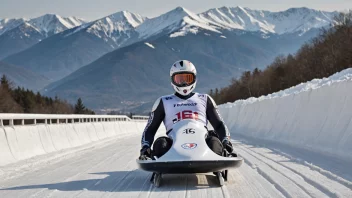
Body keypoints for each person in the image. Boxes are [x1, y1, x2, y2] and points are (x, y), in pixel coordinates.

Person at [139, 60, 234, 160]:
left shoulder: (205, 99)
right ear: (173, 80)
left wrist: (225, 141)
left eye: (187, 79)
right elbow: (150, 128)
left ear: (194, 78)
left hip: (202, 140)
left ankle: (216, 159)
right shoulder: (163, 101)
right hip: (173, 143)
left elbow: (219, 124)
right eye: (179, 79)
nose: (184, 83)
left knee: (214, 143)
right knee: (160, 144)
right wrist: (146, 147)